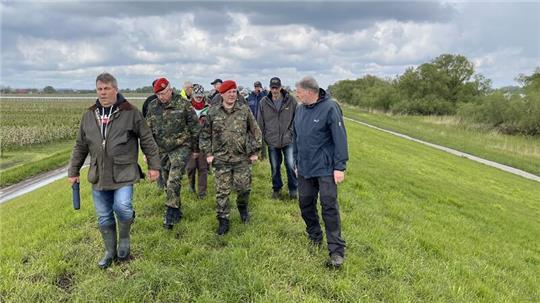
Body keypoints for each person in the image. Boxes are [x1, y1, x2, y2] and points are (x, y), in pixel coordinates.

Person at [68, 72, 161, 269]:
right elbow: (80, 145)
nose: (103, 93)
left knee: (123, 207)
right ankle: (110, 252)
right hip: (99, 175)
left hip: (124, 173)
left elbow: (147, 140)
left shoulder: (131, 112)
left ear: (115, 89)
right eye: (99, 89)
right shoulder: (89, 114)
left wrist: (154, 166)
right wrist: (73, 171)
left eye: (107, 88)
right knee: (104, 216)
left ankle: (124, 240)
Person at [293, 76, 349, 268]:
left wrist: (339, 166)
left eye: (298, 91)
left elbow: (340, 138)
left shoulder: (330, 107)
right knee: (305, 203)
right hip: (305, 168)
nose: (296, 94)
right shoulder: (299, 109)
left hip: (325, 168)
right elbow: (296, 137)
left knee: (329, 207)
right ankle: (314, 235)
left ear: (309, 91)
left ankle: (336, 251)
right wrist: (296, 161)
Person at [200, 80, 262, 235]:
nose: (232, 95)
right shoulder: (213, 112)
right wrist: (208, 154)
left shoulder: (244, 110)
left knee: (243, 189)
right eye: (229, 92)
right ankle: (223, 220)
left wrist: (254, 151)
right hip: (220, 159)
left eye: (234, 92)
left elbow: (256, 132)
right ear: (222, 94)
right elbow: (204, 136)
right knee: (222, 192)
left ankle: (243, 209)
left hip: (241, 158)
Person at [146, 78, 201, 230]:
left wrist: (196, 150)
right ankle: (177, 209)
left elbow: (195, 128)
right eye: (158, 94)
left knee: (173, 180)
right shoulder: (153, 106)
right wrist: (148, 153)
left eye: (163, 93)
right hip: (162, 149)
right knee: (166, 181)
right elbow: (147, 132)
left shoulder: (183, 104)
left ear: (170, 89)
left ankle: (170, 213)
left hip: (181, 147)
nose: (161, 97)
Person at [257, 77, 298, 200]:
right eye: (272, 88)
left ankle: (293, 189)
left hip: (288, 140)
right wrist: (264, 137)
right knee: (275, 167)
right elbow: (260, 121)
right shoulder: (264, 102)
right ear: (270, 88)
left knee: (291, 165)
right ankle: (276, 189)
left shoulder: (291, 100)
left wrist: (291, 133)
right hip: (272, 141)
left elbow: (296, 119)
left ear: (281, 87)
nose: (274, 90)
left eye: (277, 88)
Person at [186, 84, 210, 199]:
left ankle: (202, 193)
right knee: (190, 167)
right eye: (197, 96)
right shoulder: (187, 107)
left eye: (201, 96)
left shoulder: (208, 108)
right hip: (189, 143)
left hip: (203, 143)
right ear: (193, 95)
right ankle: (191, 186)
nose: (199, 98)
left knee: (203, 168)